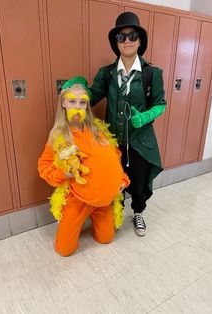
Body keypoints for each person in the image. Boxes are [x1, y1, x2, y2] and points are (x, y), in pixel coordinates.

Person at [90, 12, 166, 236]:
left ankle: (139, 212)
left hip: (141, 141)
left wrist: (144, 117)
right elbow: (92, 97)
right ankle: (116, 213)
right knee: (115, 180)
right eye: (121, 37)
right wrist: (76, 94)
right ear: (116, 43)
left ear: (140, 40)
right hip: (113, 142)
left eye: (132, 35)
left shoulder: (153, 73)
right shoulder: (107, 74)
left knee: (140, 180)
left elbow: (160, 104)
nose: (127, 40)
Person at [38, 76, 129, 256]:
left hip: (104, 201)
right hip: (78, 200)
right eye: (72, 101)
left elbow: (115, 156)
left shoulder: (98, 130)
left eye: (82, 102)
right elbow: (44, 166)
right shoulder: (58, 136)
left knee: (106, 239)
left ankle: (98, 216)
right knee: (64, 250)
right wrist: (64, 173)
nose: (78, 106)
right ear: (63, 102)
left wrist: (122, 179)